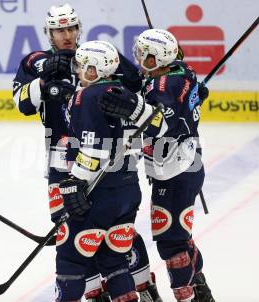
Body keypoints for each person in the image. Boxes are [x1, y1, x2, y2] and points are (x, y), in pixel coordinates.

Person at [12, 4, 161, 301]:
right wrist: (43, 82)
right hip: (62, 158)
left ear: (79, 29)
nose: (66, 36)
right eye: (59, 30)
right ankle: (95, 292)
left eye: (71, 29)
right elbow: (21, 103)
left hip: (108, 161)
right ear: (49, 32)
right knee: (75, 230)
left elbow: (141, 88)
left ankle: (143, 285)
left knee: (117, 230)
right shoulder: (35, 62)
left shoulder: (102, 56)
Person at [98, 28, 215, 302]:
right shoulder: (180, 72)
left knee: (172, 241)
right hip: (179, 166)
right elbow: (147, 83)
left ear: (160, 59)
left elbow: (161, 123)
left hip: (177, 169)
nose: (140, 60)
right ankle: (197, 286)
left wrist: (131, 109)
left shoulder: (165, 85)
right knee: (175, 236)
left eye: (146, 56)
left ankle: (193, 294)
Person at [56, 39, 145, 302]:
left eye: (82, 65)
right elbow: (155, 127)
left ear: (94, 69)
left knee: (71, 259)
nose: (78, 70)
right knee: (115, 261)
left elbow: (94, 149)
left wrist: (76, 181)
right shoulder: (125, 93)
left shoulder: (87, 95)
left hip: (99, 193)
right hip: (128, 190)